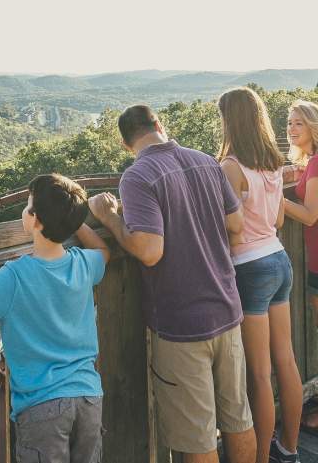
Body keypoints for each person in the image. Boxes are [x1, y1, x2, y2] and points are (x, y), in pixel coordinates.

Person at [90, 104, 256, 463]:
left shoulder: (138, 176)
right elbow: (237, 224)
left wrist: (111, 219)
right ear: (159, 125)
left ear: (124, 143)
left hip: (182, 324)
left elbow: (149, 251)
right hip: (227, 308)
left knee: (197, 437)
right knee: (238, 418)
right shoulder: (205, 161)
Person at [0, 172, 110, 463]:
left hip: (43, 407)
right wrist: (78, 222)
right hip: (89, 396)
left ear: (35, 221)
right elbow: (103, 250)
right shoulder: (83, 264)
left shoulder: (14, 277)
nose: (24, 211)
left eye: (28, 207)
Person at [217, 87, 302, 463]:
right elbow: (280, 219)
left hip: (250, 269)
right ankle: (290, 448)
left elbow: (229, 228)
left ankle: (261, 458)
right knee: (285, 359)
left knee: (258, 372)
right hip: (280, 260)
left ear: (229, 121)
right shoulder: (272, 162)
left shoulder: (231, 167)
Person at [282, 100, 318, 432]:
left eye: (299, 124)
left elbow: (310, 215)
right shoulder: (311, 162)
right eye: (290, 123)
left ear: (313, 127)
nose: (292, 129)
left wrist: (271, 196)